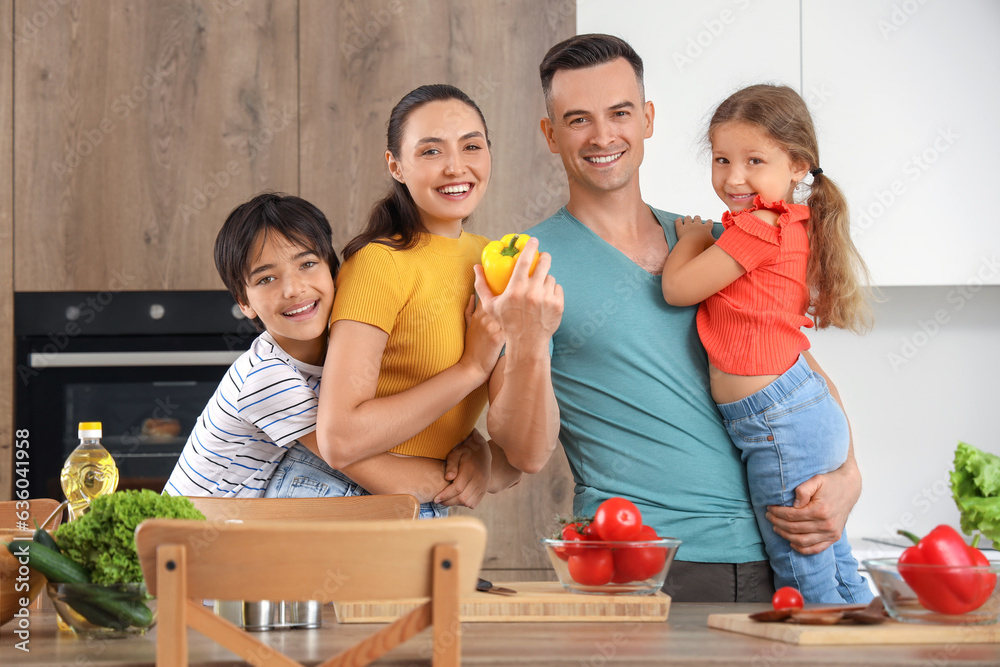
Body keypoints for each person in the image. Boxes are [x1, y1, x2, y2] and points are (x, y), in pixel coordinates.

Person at [505, 34, 864, 602]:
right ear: (550, 135)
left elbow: (795, 367)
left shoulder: (716, 242)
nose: (603, 136)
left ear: (646, 119)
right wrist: (528, 339)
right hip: (645, 564)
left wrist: (848, 476)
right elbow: (521, 450)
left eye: (620, 113)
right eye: (578, 120)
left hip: (774, 551)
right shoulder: (528, 266)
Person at [660, 84, 874, 603]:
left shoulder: (757, 227)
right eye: (722, 160)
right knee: (829, 557)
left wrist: (690, 239)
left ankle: (821, 651)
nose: (734, 177)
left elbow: (677, 289)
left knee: (800, 569)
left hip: (777, 423)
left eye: (755, 160)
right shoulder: (790, 223)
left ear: (798, 164)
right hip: (794, 408)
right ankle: (861, 639)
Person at [299, 84, 553, 514]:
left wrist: (534, 340)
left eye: (471, 146)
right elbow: (340, 440)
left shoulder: (495, 263)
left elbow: (525, 456)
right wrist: (470, 368)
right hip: (338, 498)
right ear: (395, 166)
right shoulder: (378, 264)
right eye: (431, 152)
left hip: (424, 507)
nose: (456, 167)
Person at [165, 193, 490, 510]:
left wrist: (478, 451)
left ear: (336, 271)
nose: (293, 289)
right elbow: (386, 477)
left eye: (307, 263)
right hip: (188, 541)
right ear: (244, 303)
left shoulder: (347, 347)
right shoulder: (267, 379)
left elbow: (400, 417)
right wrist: (469, 474)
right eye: (266, 279)